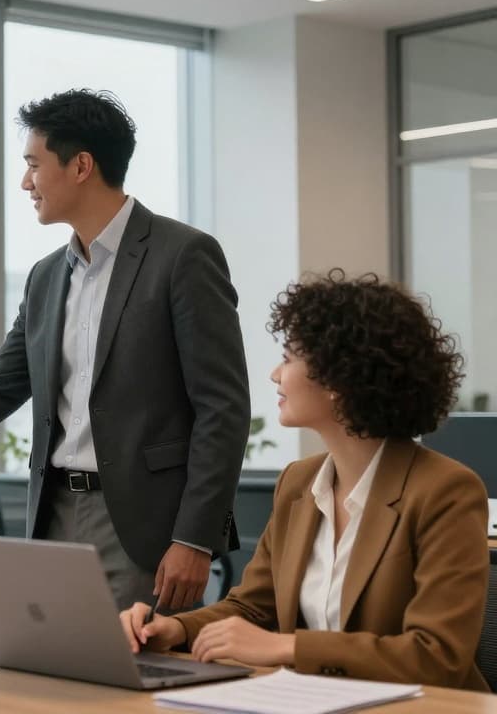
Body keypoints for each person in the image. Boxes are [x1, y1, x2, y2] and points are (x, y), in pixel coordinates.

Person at [0, 89, 250, 610]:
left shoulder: (183, 255)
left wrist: (195, 538)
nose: (25, 182)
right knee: (50, 677)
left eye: (34, 165)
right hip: (52, 511)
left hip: (143, 524)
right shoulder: (45, 276)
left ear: (81, 166)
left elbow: (224, 406)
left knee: (129, 681)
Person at [121, 270, 488, 691]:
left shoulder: (446, 491)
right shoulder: (298, 482)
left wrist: (288, 648)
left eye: (290, 357)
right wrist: (173, 629)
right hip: (315, 699)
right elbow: (253, 608)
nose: (276, 374)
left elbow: (436, 656)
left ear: (338, 377)